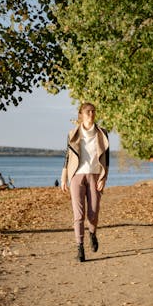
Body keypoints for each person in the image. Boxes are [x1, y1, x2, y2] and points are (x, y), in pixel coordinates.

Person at [60, 102, 110, 262]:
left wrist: (104, 178)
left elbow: (106, 160)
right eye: (88, 111)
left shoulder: (102, 133)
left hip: (95, 175)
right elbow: (67, 157)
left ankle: (92, 234)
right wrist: (63, 178)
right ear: (81, 114)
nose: (91, 113)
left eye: (93, 111)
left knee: (93, 213)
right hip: (76, 176)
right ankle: (80, 247)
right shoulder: (72, 133)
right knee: (78, 214)